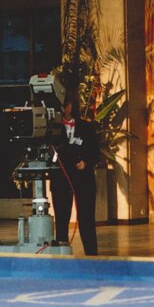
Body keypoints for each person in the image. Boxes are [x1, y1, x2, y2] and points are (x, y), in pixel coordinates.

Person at [50, 90, 100, 256]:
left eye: (65, 105)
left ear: (72, 105)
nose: (63, 108)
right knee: (61, 218)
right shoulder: (53, 129)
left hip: (83, 178)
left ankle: (91, 255)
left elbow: (95, 152)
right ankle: (62, 254)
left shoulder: (87, 127)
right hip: (61, 178)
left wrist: (86, 162)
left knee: (86, 219)